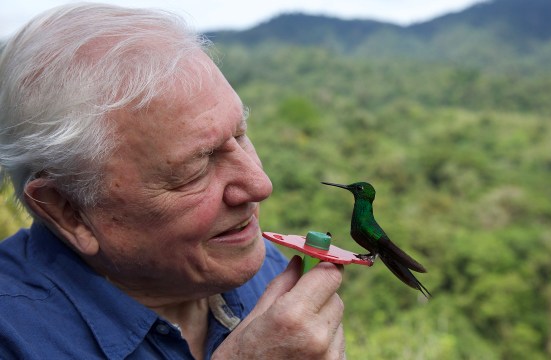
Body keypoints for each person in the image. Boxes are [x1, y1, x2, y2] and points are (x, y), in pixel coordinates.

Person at [0, 3, 345, 359]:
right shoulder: (13, 337)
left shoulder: (269, 273)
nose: (260, 185)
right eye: (193, 170)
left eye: (240, 136)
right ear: (69, 210)